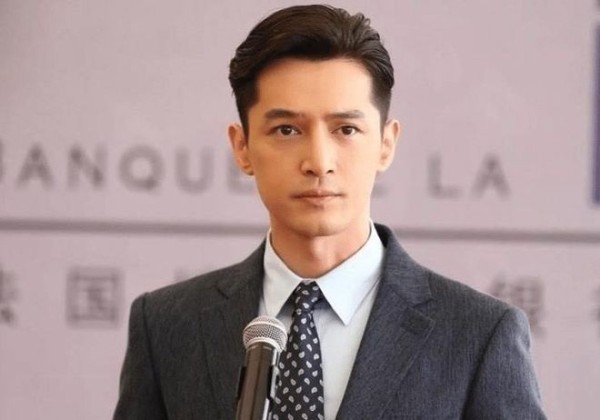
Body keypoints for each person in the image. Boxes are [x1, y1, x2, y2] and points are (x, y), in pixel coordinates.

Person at [114, 5, 546, 419]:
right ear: (242, 147)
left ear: (386, 144)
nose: (319, 161)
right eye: (287, 130)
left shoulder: (478, 333)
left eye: (346, 129)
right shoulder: (168, 325)